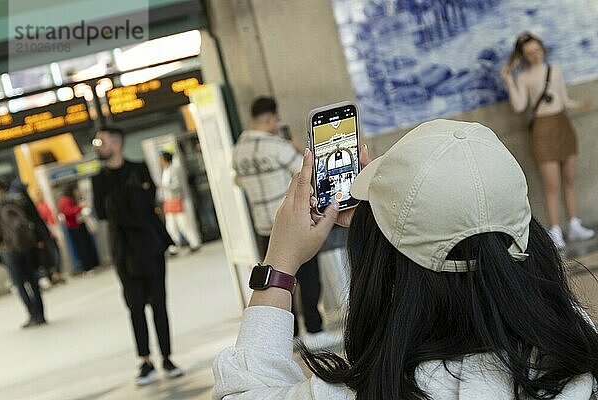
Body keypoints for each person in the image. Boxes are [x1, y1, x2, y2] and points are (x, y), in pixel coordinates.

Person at [213, 119, 598, 399]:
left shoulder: (365, 393)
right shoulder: (579, 359)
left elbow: (240, 393)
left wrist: (279, 263)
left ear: (386, 269)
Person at [232, 96, 338, 349]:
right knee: (309, 277)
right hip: (291, 222)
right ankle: (314, 329)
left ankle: (290, 336)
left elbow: (237, 181)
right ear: (270, 119)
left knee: (279, 280)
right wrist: (297, 148)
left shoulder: (239, 151)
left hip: (264, 226)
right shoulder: (277, 147)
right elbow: (308, 174)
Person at [91, 126, 184, 386]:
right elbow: (102, 212)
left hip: (150, 245)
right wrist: (132, 195)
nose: (98, 146)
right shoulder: (99, 179)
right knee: (134, 307)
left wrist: (121, 202)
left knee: (159, 303)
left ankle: (167, 357)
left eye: (102, 141)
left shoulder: (139, 167)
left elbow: (146, 202)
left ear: (117, 144)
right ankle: (145, 360)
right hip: (123, 250)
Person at [501, 31, 594, 249]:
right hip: (542, 129)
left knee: (569, 179)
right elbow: (519, 106)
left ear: (543, 49)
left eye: (537, 50)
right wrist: (509, 81)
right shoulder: (523, 77)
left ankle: (574, 223)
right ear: (523, 56)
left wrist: (580, 105)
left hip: (563, 124)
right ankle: (555, 230)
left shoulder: (555, 70)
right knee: (552, 184)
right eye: (529, 53)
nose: (535, 55)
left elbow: (563, 99)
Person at [0, 179, 47, 328]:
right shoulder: (18, 200)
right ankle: (41, 314)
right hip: (27, 245)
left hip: (9, 249)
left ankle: (32, 314)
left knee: (20, 284)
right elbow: (34, 219)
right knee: (33, 280)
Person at [159, 151, 202, 254]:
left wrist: (164, 186)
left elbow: (177, 185)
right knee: (171, 226)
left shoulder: (175, 169)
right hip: (170, 202)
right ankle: (173, 247)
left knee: (185, 224)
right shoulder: (165, 171)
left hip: (179, 200)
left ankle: (195, 243)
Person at [58, 183, 99, 274]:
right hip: (74, 226)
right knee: (82, 247)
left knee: (87, 245)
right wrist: (80, 208)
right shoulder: (65, 200)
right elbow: (67, 211)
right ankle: (87, 267)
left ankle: (92, 264)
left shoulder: (72, 198)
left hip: (80, 223)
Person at [35, 189, 65, 284]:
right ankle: (56, 273)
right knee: (55, 253)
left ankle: (57, 273)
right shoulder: (39, 207)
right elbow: (45, 221)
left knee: (56, 253)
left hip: (52, 230)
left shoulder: (43, 205)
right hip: (49, 232)